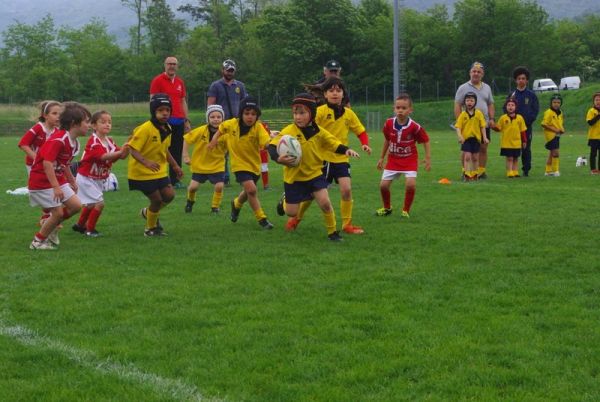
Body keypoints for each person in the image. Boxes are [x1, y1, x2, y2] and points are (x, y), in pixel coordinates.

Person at [282, 77, 370, 234]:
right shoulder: (320, 112)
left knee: (346, 190)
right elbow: (306, 125)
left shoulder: (349, 114)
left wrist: (364, 143)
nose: (335, 93)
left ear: (343, 94)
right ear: (325, 94)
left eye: (338, 90)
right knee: (311, 195)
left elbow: (360, 130)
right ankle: (295, 219)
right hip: (322, 159)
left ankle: (347, 224)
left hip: (341, 158)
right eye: (331, 90)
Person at [269, 93, 360, 241]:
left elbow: (333, 143)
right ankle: (285, 199)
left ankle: (332, 233)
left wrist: (346, 150)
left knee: (325, 203)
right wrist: (278, 158)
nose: (298, 117)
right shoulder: (289, 131)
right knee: (291, 213)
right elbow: (272, 146)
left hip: (315, 175)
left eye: (302, 113)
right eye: (295, 113)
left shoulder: (319, 132)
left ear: (311, 113)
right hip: (294, 178)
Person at [27, 102, 91, 250]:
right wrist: (56, 187)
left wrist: (72, 181)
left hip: (57, 179)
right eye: (86, 122)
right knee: (57, 212)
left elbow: (65, 164)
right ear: (74, 124)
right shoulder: (59, 139)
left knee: (76, 206)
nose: (89, 125)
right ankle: (37, 242)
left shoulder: (74, 143)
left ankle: (51, 227)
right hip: (41, 181)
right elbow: (47, 164)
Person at [207, 96, 274, 230]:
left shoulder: (258, 128)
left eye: (253, 114)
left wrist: (275, 145)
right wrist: (214, 140)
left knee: (248, 191)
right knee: (251, 190)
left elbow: (266, 142)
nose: (250, 117)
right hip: (239, 165)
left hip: (254, 166)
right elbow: (221, 129)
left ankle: (236, 204)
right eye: (247, 113)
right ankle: (262, 219)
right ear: (241, 113)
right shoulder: (232, 124)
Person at [127, 93, 184, 236]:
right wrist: (146, 162)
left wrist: (175, 166)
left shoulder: (168, 128)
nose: (165, 113)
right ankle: (150, 229)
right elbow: (132, 149)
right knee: (157, 200)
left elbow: (164, 150)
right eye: (160, 110)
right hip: (141, 173)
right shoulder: (145, 128)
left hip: (159, 171)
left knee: (169, 195)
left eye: (167, 110)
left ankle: (148, 213)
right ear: (154, 111)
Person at [72, 111, 128, 237]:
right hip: (86, 178)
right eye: (103, 122)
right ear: (93, 125)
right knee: (99, 203)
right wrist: (121, 152)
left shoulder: (110, 141)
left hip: (97, 178)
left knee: (91, 204)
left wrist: (128, 147)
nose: (107, 124)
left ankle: (79, 225)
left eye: (109, 122)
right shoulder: (94, 142)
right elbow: (104, 156)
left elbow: (122, 156)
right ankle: (90, 230)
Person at [375, 94, 430, 217]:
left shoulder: (414, 126)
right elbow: (387, 141)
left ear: (410, 110)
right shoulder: (388, 123)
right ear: (394, 108)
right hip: (393, 159)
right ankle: (387, 208)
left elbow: (425, 140)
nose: (400, 110)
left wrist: (427, 158)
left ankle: (405, 210)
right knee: (383, 186)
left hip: (409, 159)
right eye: (398, 107)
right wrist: (381, 158)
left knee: (410, 184)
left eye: (404, 108)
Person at [149, 56, 190, 188]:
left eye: (174, 64)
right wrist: (156, 121)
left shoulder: (179, 82)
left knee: (177, 151)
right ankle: (158, 178)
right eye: (169, 64)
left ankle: (175, 180)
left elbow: (183, 101)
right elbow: (153, 101)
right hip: (165, 121)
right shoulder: (157, 80)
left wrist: (186, 120)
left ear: (177, 66)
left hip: (178, 121)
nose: (172, 66)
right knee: (161, 150)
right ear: (165, 65)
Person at [207, 59, 248, 186]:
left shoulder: (240, 86)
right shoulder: (216, 86)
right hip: (222, 124)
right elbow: (210, 104)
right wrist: (211, 121)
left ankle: (242, 177)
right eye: (227, 70)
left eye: (232, 70)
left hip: (237, 123)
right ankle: (224, 178)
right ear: (222, 70)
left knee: (239, 150)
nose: (230, 73)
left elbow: (245, 104)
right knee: (222, 152)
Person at [182, 104, 226, 214]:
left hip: (217, 165)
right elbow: (187, 139)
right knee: (193, 188)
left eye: (218, 117)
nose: (216, 119)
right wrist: (185, 155)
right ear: (208, 118)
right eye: (212, 117)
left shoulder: (226, 133)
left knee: (219, 185)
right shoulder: (201, 130)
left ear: (222, 119)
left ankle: (215, 207)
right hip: (200, 164)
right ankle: (190, 201)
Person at [454, 61, 495, 179]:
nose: (476, 73)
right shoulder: (463, 88)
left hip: (483, 124)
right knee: (466, 149)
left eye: (479, 72)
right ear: (470, 73)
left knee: (483, 148)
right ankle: (465, 172)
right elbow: (457, 105)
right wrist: (459, 123)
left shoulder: (487, 87)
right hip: (468, 125)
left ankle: (480, 172)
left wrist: (491, 119)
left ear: (482, 74)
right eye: (474, 71)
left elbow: (490, 104)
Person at [507, 66, 539, 176]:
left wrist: (528, 121)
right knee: (513, 148)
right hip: (513, 127)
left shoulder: (531, 95)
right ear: (516, 80)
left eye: (523, 78)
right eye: (519, 78)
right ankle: (512, 170)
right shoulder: (512, 94)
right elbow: (505, 108)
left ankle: (526, 170)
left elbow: (535, 110)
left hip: (526, 127)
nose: (521, 80)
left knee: (526, 148)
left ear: (527, 80)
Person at [18, 100, 61, 176]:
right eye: (54, 113)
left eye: (60, 114)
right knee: (38, 186)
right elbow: (23, 144)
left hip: (49, 164)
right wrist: (36, 159)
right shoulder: (38, 128)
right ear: (45, 115)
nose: (58, 116)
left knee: (48, 186)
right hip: (33, 164)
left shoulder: (58, 131)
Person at [455, 92, 488, 181]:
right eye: (467, 100)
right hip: (466, 139)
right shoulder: (462, 114)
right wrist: (460, 136)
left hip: (476, 139)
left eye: (471, 100)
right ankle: (466, 174)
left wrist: (484, 137)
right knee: (467, 156)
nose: (469, 102)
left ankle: (474, 174)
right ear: (465, 102)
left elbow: (483, 126)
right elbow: (458, 127)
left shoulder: (479, 113)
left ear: (475, 102)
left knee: (475, 158)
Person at [492, 98, 527, 178]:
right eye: (508, 105)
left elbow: (523, 130)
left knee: (515, 158)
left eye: (512, 105)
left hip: (517, 143)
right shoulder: (503, 118)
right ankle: (509, 172)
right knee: (509, 158)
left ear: (516, 107)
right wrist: (493, 127)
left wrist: (524, 141)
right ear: (506, 107)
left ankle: (515, 171)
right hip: (507, 143)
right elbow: (499, 128)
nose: (510, 107)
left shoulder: (520, 118)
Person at [541, 93, 565, 177]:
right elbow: (544, 124)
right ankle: (556, 170)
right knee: (556, 153)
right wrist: (555, 130)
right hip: (550, 135)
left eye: (558, 102)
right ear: (551, 103)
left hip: (557, 134)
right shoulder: (549, 112)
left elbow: (559, 123)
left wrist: (562, 129)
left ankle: (547, 171)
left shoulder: (560, 112)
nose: (556, 104)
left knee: (551, 153)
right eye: (554, 102)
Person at [587, 92, 600, 174]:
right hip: (593, 136)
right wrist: (598, 116)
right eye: (596, 100)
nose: (598, 101)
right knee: (593, 154)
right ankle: (593, 169)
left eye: (599, 100)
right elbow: (590, 122)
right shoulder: (591, 111)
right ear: (593, 101)